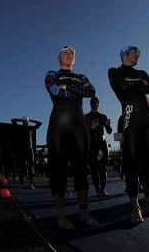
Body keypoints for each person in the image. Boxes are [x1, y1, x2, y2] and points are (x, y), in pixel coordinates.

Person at [108, 45, 149, 224]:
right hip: (131, 117)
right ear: (125, 55)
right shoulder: (114, 71)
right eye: (135, 53)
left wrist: (133, 86)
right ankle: (135, 207)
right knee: (132, 163)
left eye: (139, 54)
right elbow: (121, 85)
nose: (139, 55)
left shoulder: (142, 72)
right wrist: (140, 85)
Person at [45, 45, 98, 229]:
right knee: (58, 170)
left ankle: (84, 213)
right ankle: (61, 216)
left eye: (73, 53)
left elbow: (91, 91)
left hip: (78, 127)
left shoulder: (81, 77)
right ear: (59, 57)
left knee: (81, 170)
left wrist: (69, 87)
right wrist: (77, 91)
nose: (70, 55)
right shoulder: (52, 73)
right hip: (58, 127)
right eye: (66, 52)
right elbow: (53, 89)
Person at [85, 97, 113, 197]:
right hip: (92, 144)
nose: (96, 104)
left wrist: (107, 125)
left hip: (102, 143)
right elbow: (85, 132)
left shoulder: (103, 116)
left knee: (103, 168)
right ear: (91, 104)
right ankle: (97, 189)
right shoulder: (86, 116)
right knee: (94, 168)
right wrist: (91, 127)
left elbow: (109, 131)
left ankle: (103, 189)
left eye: (98, 102)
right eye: (94, 102)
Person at [11, 116, 42, 189]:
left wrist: (30, 120)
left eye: (26, 121)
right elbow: (13, 120)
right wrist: (21, 119)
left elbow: (40, 123)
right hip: (21, 150)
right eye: (24, 121)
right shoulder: (19, 128)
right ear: (22, 122)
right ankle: (21, 184)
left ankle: (31, 184)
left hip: (30, 150)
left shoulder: (31, 128)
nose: (25, 122)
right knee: (21, 168)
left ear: (28, 122)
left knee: (30, 168)